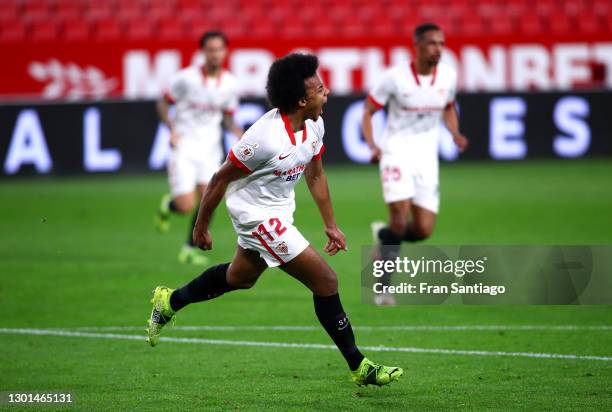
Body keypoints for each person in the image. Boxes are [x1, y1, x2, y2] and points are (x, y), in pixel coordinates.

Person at [147, 53, 403, 387]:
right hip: (255, 216)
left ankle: (169, 301)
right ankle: (359, 365)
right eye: (320, 89)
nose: (326, 94)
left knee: (240, 277)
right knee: (326, 281)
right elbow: (219, 179)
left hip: (280, 210)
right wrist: (201, 226)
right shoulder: (263, 138)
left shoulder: (314, 124)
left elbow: (315, 174)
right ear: (301, 99)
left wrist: (330, 224)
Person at [362, 23, 469, 305]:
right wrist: (373, 145)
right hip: (395, 152)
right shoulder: (394, 78)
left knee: (422, 230)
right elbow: (369, 110)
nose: (438, 49)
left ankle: (383, 236)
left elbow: (448, 106)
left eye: (442, 44)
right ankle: (383, 289)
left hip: (426, 157)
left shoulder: (448, 76)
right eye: (433, 43)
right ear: (418, 46)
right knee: (399, 217)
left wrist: (455, 132)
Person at [154, 30, 244, 265]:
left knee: (209, 200)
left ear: (225, 52)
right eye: (211, 49)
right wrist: (171, 128)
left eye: (219, 49)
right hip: (184, 146)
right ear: (203, 52)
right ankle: (168, 205)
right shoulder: (186, 78)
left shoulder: (231, 83)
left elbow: (228, 117)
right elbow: (163, 103)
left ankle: (189, 249)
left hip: (210, 150)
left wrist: (237, 133)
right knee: (186, 206)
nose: (215, 54)